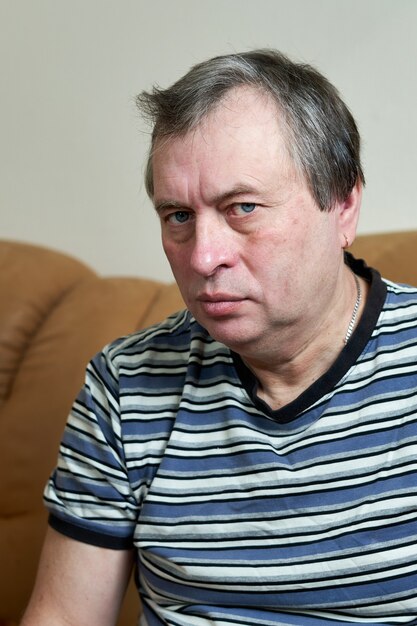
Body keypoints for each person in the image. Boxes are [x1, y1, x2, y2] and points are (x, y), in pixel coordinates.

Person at [21, 49, 417, 626]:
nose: (204, 258)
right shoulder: (124, 385)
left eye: (243, 208)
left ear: (343, 205)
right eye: (178, 216)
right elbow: (63, 614)